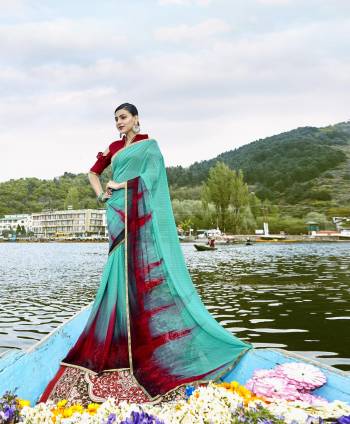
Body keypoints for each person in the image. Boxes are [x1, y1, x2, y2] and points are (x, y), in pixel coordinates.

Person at [40, 103, 251, 405]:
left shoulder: (149, 145)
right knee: (117, 264)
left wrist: (121, 183)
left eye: (123, 118)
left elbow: (153, 179)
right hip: (116, 210)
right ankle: (121, 336)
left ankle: (139, 337)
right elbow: (92, 173)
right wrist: (102, 194)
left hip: (136, 208)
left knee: (134, 269)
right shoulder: (113, 148)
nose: (119, 123)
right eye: (115, 119)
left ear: (136, 118)